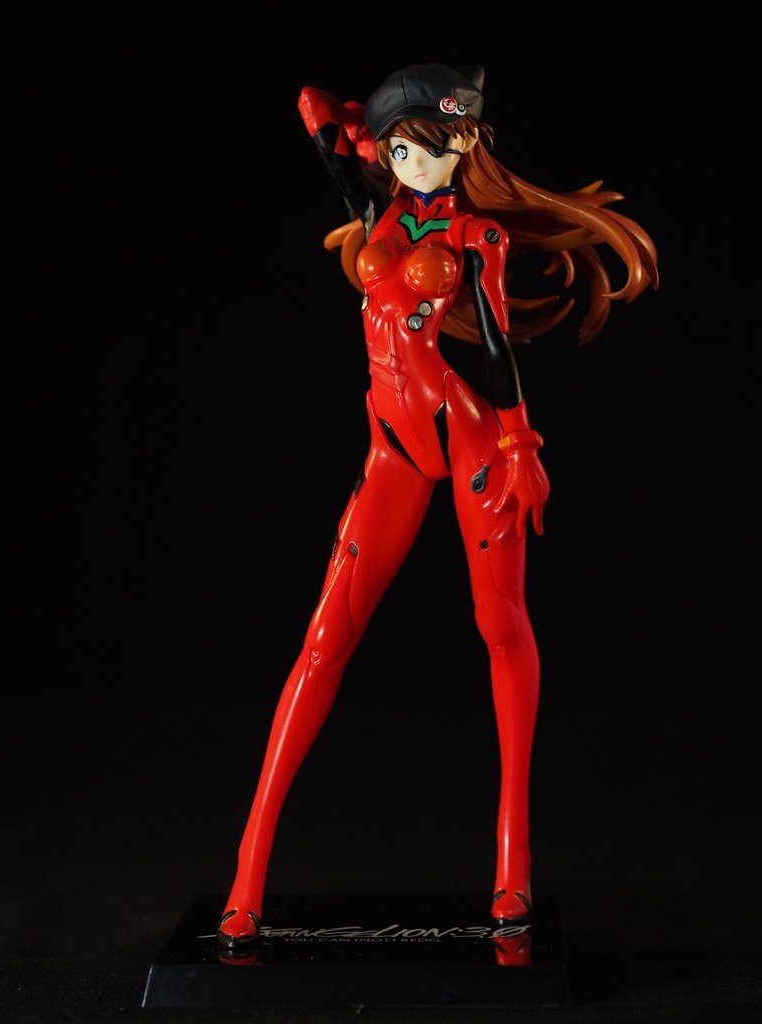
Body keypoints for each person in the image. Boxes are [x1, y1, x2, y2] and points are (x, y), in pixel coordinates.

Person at [216, 62, 657, 953]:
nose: (421, 162)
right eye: (407, 149)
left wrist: (521, 444)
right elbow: (312, 113)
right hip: (391, 448)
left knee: (501, 627)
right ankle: (246, 879)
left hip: (471, 441)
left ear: (466, 143)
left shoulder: (478, 235)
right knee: (323, 641)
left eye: (438, 145)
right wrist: (353, 123)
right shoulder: (377, 209)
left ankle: (512, 865)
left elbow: (495, 346)